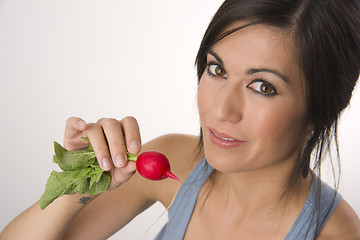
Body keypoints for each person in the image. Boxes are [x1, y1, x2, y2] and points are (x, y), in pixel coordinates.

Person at [1, 0, 360, 239]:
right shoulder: (177, 162)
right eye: (216, 69)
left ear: (322, 107)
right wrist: (78, 184)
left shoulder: (335, 234)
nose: (220, 110)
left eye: (263, 86)